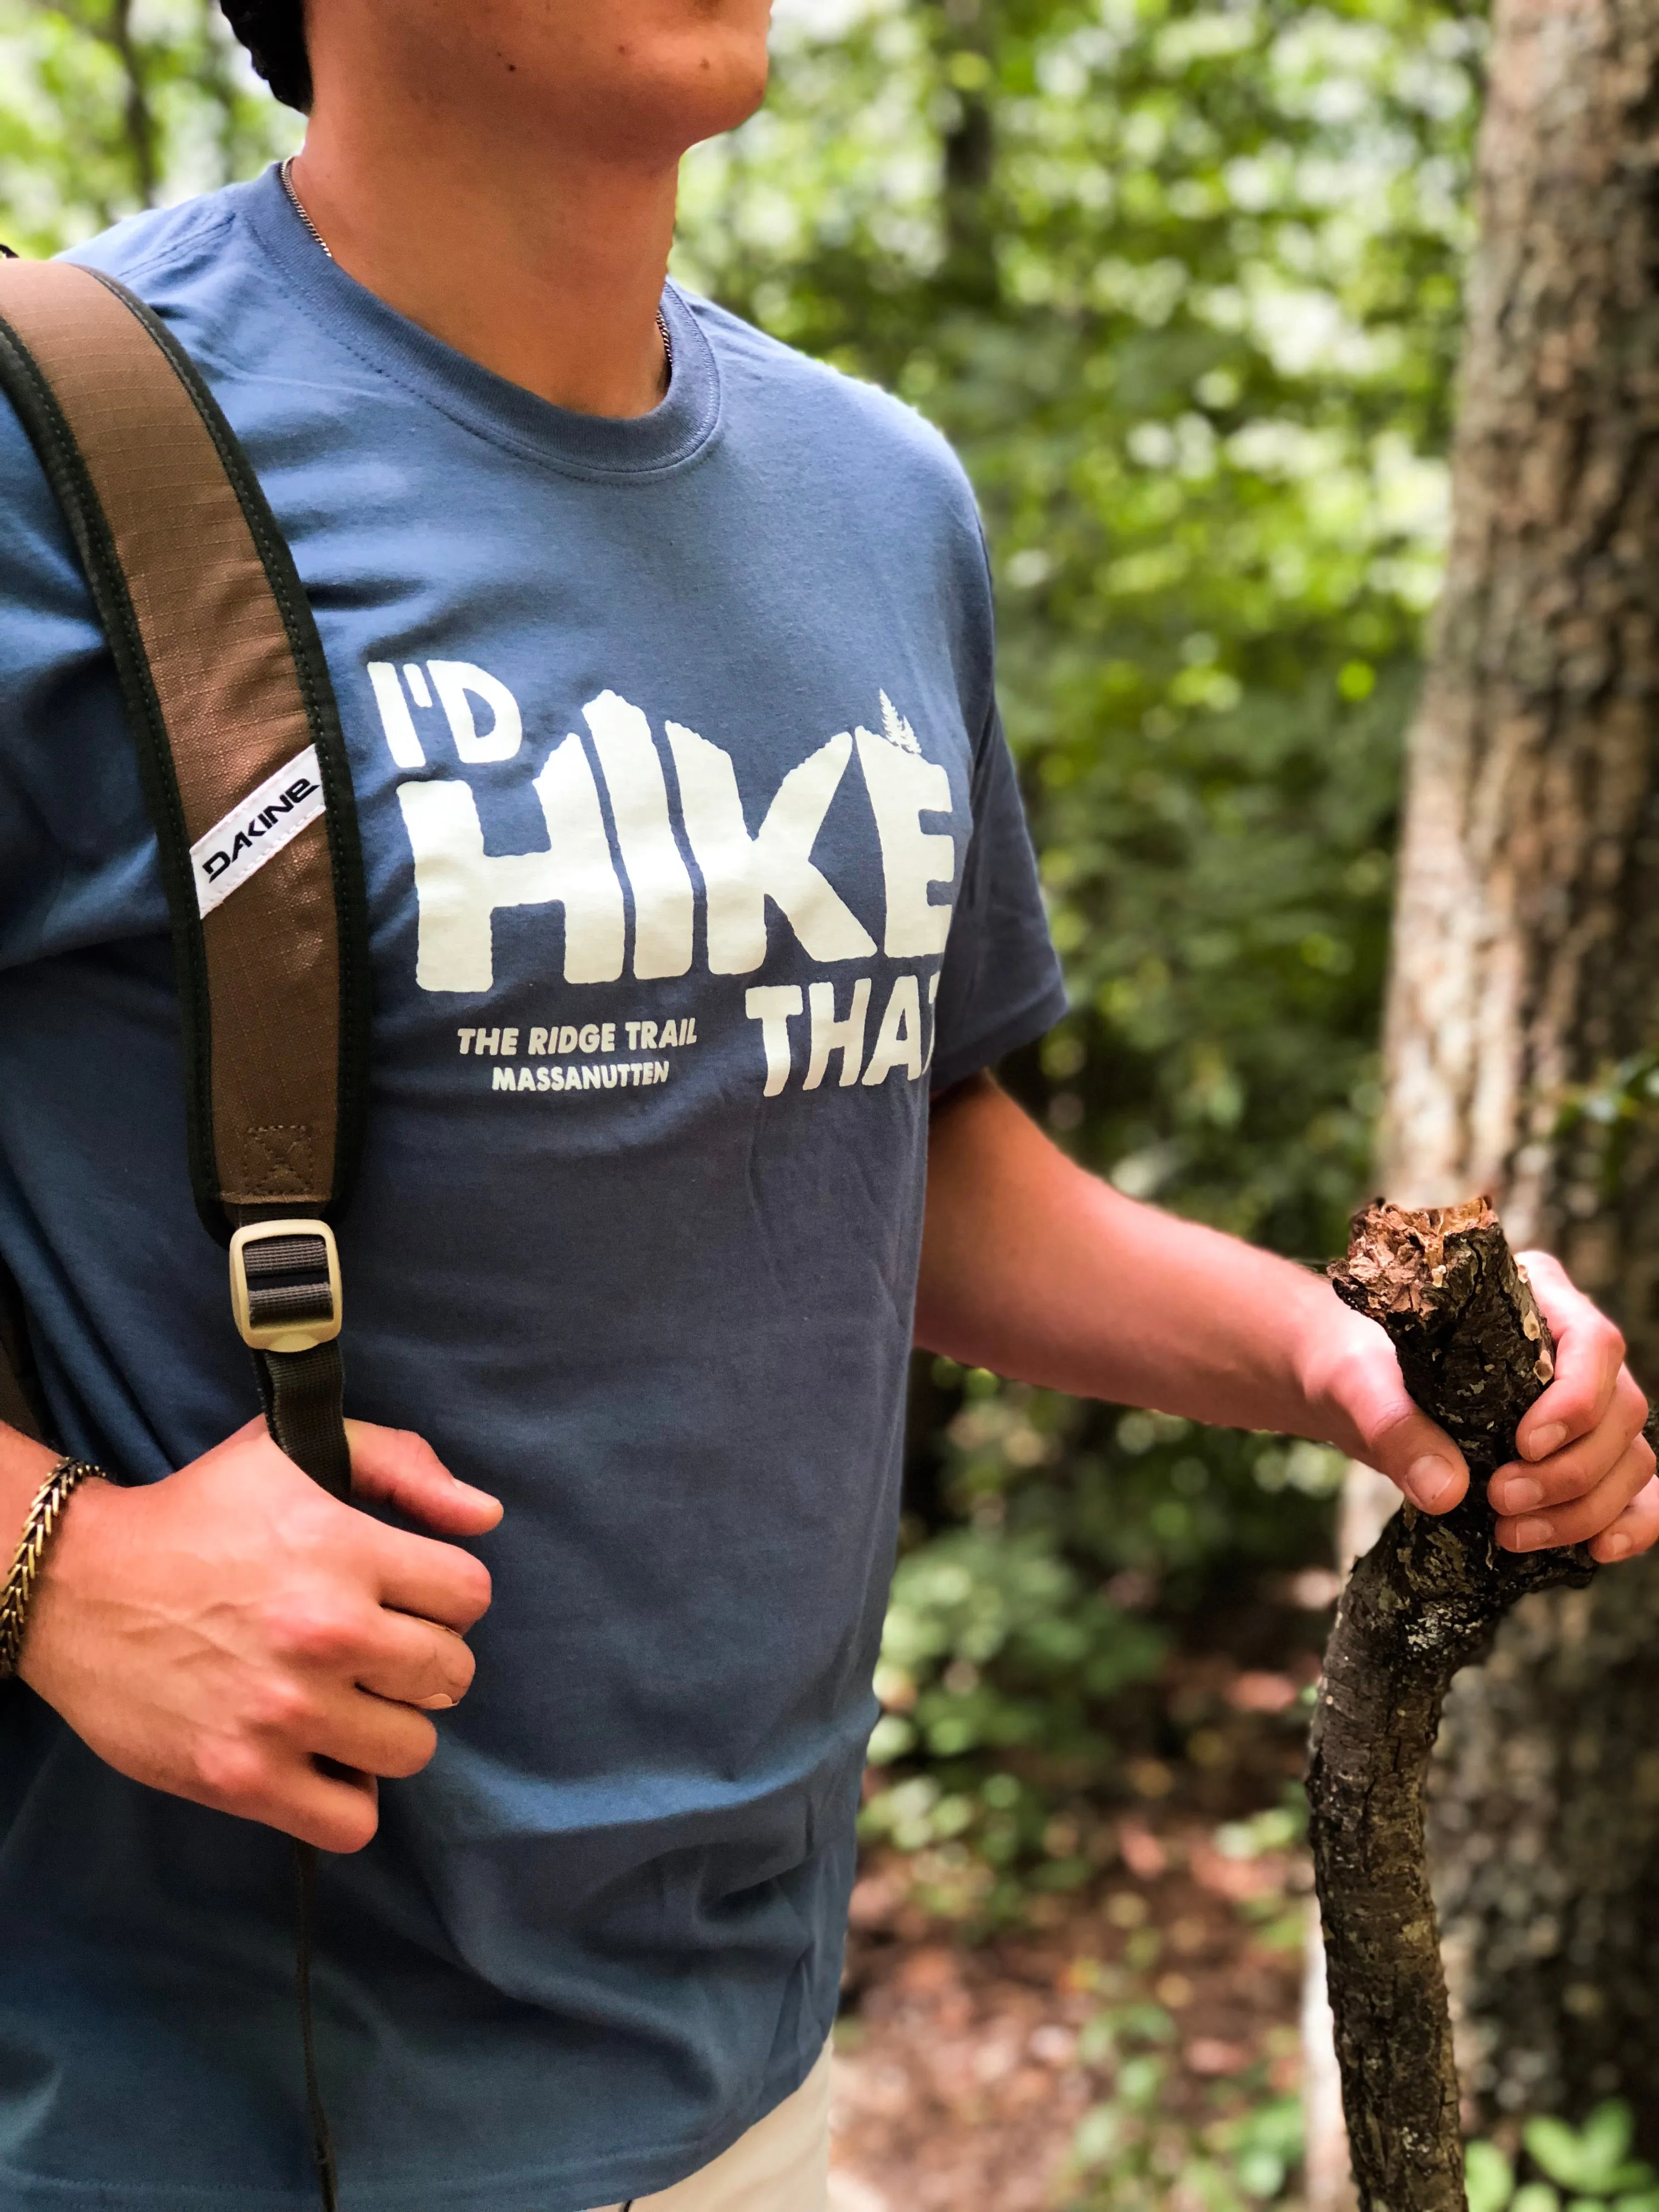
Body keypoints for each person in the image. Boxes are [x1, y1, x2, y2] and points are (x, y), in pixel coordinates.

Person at [0, 4, 1652, 2208]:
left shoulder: (877, 500)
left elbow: (896, 1139)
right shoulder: (55, 451)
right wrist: (54, 1565)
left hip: (751, 2081)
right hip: (170, 2116)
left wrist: (1328, 1353)